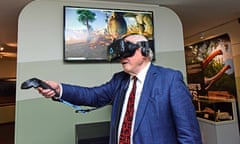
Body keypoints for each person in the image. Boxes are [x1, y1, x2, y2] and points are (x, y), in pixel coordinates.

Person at [38, 34, 202, 144]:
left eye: (128, 50)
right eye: (120, 52)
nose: (122, 57)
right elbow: (93, 96)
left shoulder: (170, 79)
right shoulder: (119, 80)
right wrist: (59, 89)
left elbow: (189, 135)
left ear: (144, 51)